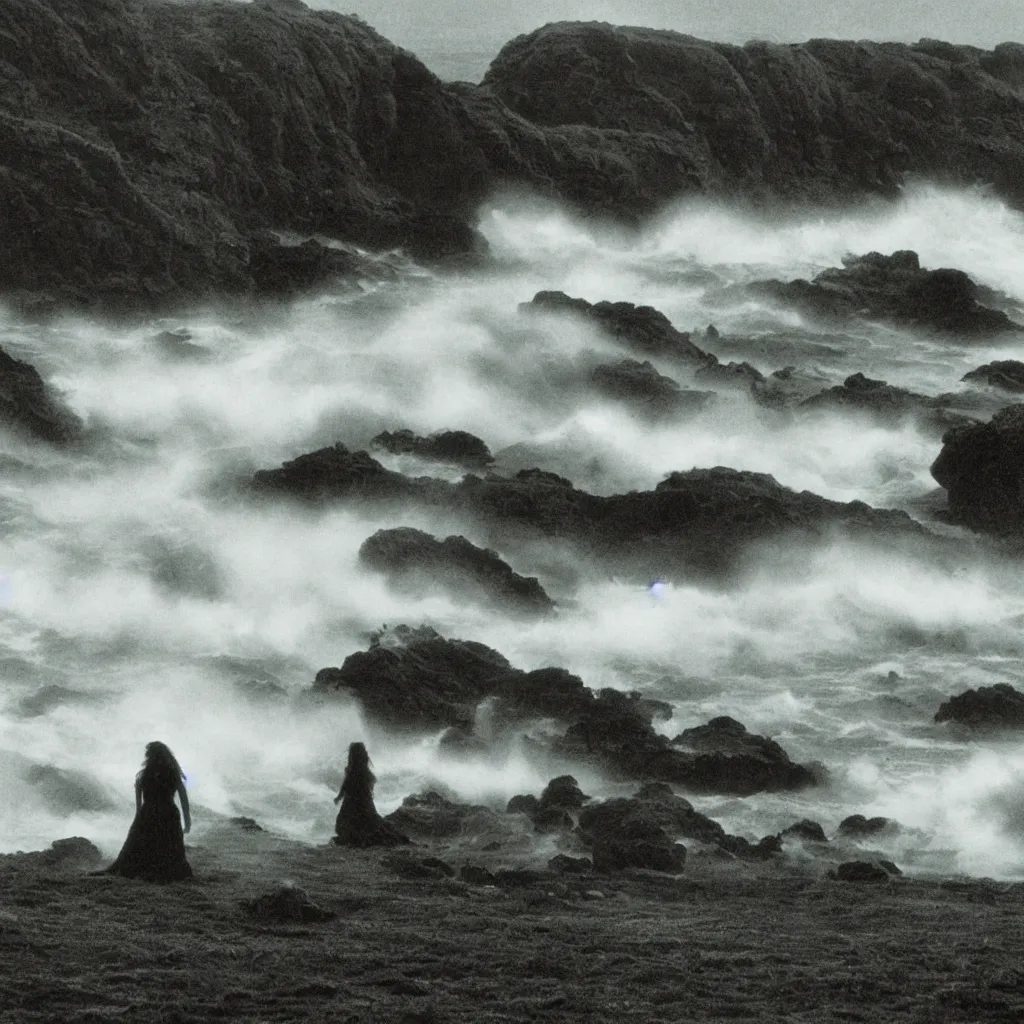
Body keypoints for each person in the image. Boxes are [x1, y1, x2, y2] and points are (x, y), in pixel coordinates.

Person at [104, 741, 193, 882]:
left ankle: (143, 870)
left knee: (143, 847)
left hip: (148, 814)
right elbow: (184, 800)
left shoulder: (143, 776)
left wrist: (137, 823)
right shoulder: (173, 775)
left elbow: (139, 806)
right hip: (169, 814)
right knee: (169, 848)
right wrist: (187, 821)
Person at [333, 742, 408, 847]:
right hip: (364, 802)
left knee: (347, 823)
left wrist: (339, 797)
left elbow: (346, 786)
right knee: (368, 823)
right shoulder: (364, 771)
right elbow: (365, 784)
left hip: (353, 802)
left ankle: (353, 837)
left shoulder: (353, 771)